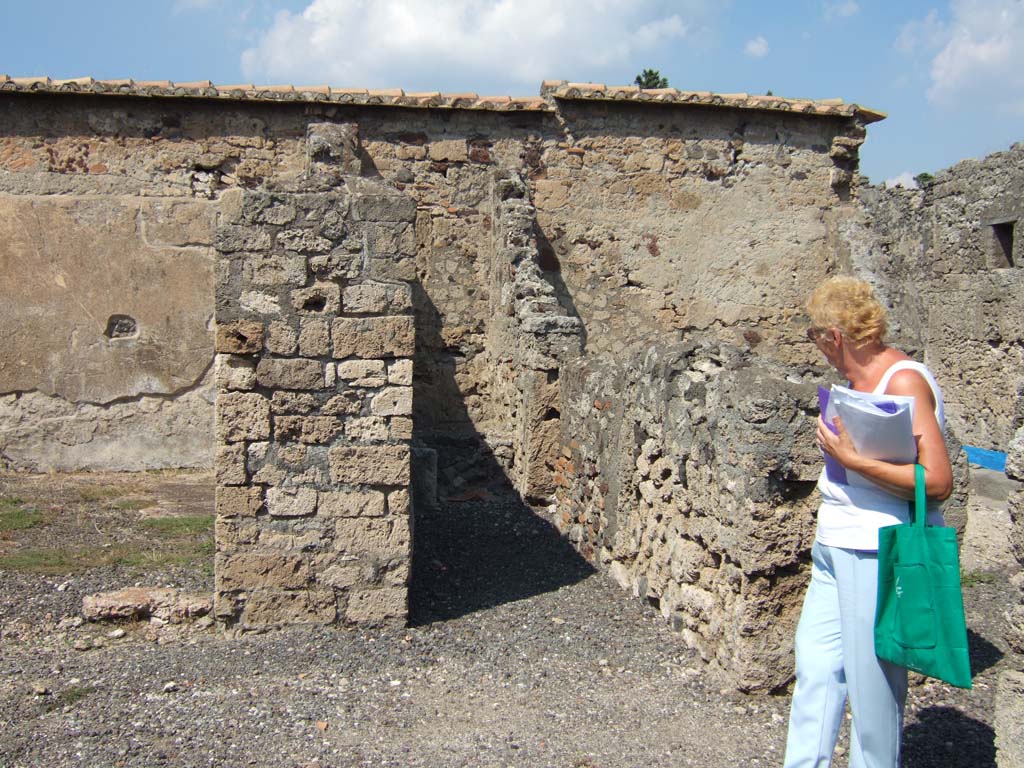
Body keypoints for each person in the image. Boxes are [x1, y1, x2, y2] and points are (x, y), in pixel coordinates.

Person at [783, 276, 953, 768]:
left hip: (877, 546)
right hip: (837, 540)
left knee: (872, 688)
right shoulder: (856, 381)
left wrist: (852, 460)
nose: (816, 347)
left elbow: (937, 480)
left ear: (833, 336)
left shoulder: (902, 380)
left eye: (815, 336)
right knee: (815, 668)